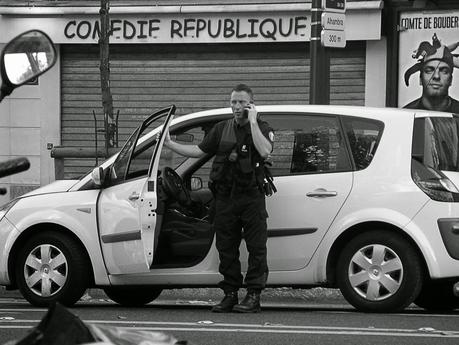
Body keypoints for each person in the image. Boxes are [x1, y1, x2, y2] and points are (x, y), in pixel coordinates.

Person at [163, 84, 274, 313]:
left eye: (242, 102)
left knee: (256, 248)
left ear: (251, 103)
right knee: (226, 248)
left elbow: (265, 151)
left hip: (251, 197)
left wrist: (252, 121)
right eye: (233, 102)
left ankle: (253, 296)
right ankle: (230, 294)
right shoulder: (222, 128)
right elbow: (199, 150)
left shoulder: (262, 127)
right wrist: (170, 144)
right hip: (225, 199)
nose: (236, 106)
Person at [404, 34, 459, 112]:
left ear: (451, 80)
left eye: (444, 71)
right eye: (429, 71)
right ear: (420, 79)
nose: (436, 76)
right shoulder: (407, 115)